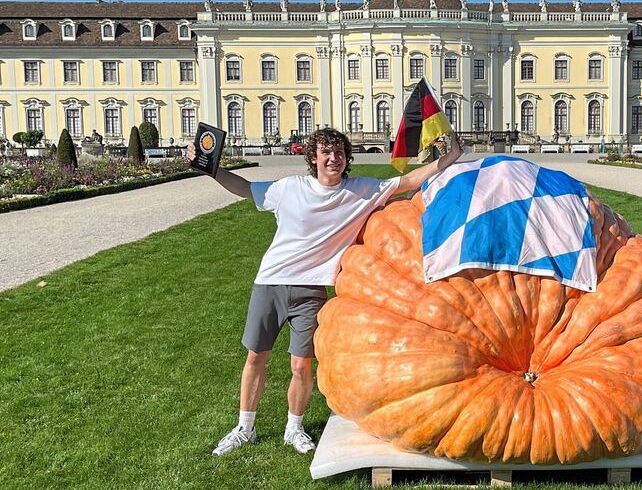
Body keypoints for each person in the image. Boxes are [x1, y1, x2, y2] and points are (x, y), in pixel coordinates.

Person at [188, 127, 463, 456]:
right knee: (255, 358)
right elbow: (246, 189)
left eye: (339, 153)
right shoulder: (289, 188)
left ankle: (294, 427)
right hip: (271, 282)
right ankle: (244, 427)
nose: (333, 159)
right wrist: (212, 168)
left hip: (311, 291)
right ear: (314, 158)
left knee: (301, 366)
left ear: (346, 158)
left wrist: (449, 158)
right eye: (326, 153)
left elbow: (407, 183)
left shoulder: (361, 190)